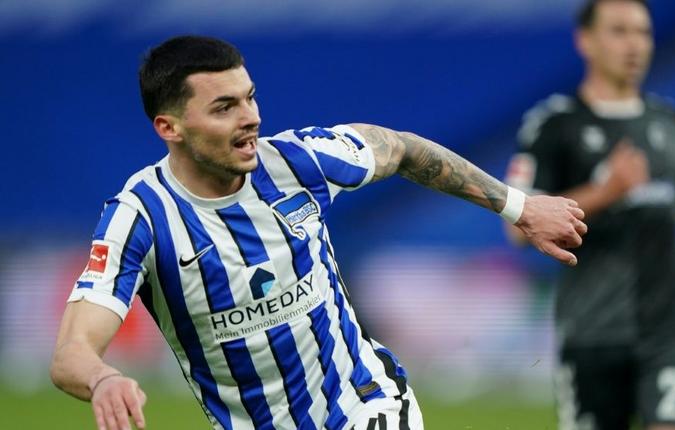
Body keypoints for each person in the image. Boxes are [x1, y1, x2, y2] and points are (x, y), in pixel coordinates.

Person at [50, 35, 587, 430]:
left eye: (250, 97)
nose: (250, 117)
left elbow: (398, 148)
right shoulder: (139, 217)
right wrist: (102, 379)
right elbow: (71, 351)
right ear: (169, 128)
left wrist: (518, 207)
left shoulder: (296, 162)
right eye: (224, 107)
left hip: (366, 405)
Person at [504, 1, 675, 429]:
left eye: (643, 32)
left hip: (668, 332)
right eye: (619, 31)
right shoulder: (553, 126)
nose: (635, 44)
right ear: (586, 41)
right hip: (590, 334)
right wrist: (606, 191)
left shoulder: (673, 124)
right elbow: (517, 231)